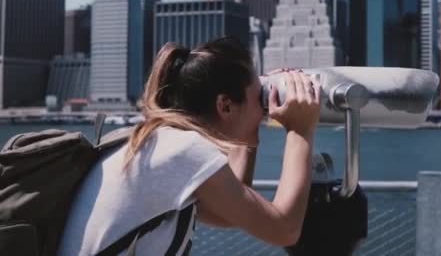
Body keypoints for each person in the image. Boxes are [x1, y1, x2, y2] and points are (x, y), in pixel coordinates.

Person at [58, 37, 321, 255]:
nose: (264, 110)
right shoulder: (183, 151)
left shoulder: (157, 142)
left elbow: (229, 214)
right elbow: (284, 230)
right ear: (225, 105)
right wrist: (300, 129)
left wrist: (246, 133)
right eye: (258, 98)